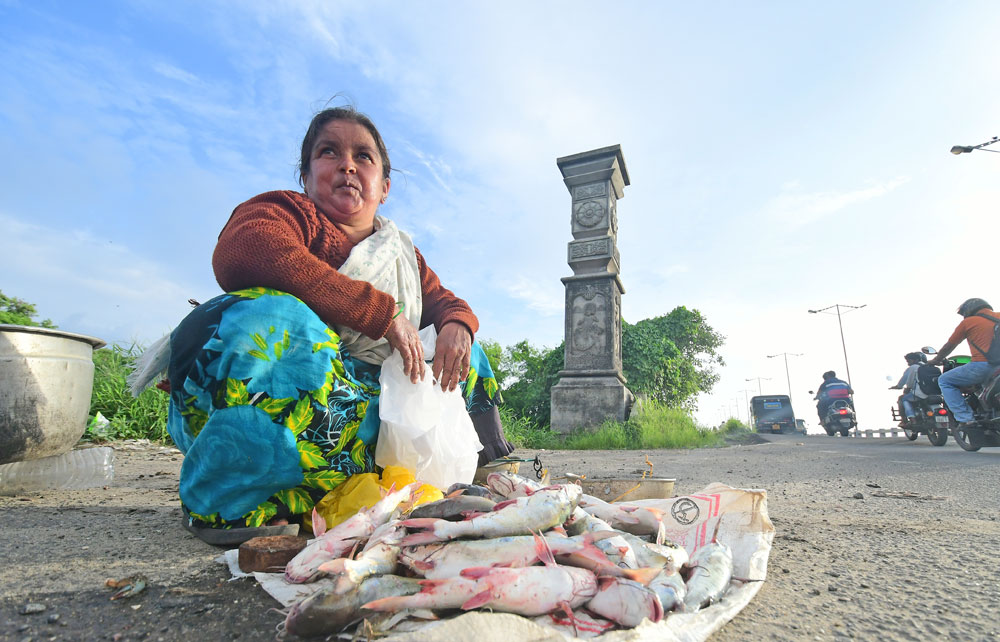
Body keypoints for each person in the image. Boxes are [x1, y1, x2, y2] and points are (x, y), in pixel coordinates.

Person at [157, 106, 513, 544]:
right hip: (299, 419)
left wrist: (458, 323)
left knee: (462, 347)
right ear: (306, 176)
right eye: (329, 152)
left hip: (377, 429)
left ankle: (471, 473)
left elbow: (445, 302)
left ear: (384, 187)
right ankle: (241, 499)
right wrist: (382, 314)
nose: (347, 164)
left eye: (363, 156)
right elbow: (244, 250)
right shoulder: (288, 213)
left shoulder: (402, 253)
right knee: (268, 319)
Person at [926, 298, 1000, 426]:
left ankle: (966, 419)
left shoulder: (968, 322)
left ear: (969, 309)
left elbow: (949, 346)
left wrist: (936, 360)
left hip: (982, 365)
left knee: (944, 380)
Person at [889, 352, 925, 426]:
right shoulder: (927, 366)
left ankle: (910, 419)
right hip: (933, 392)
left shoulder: (913, 367)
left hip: (919, 393)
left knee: (903, 399)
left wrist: (899, 386)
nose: (908, 363)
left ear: (916, 360)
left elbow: (907, 381)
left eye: (909, 361)